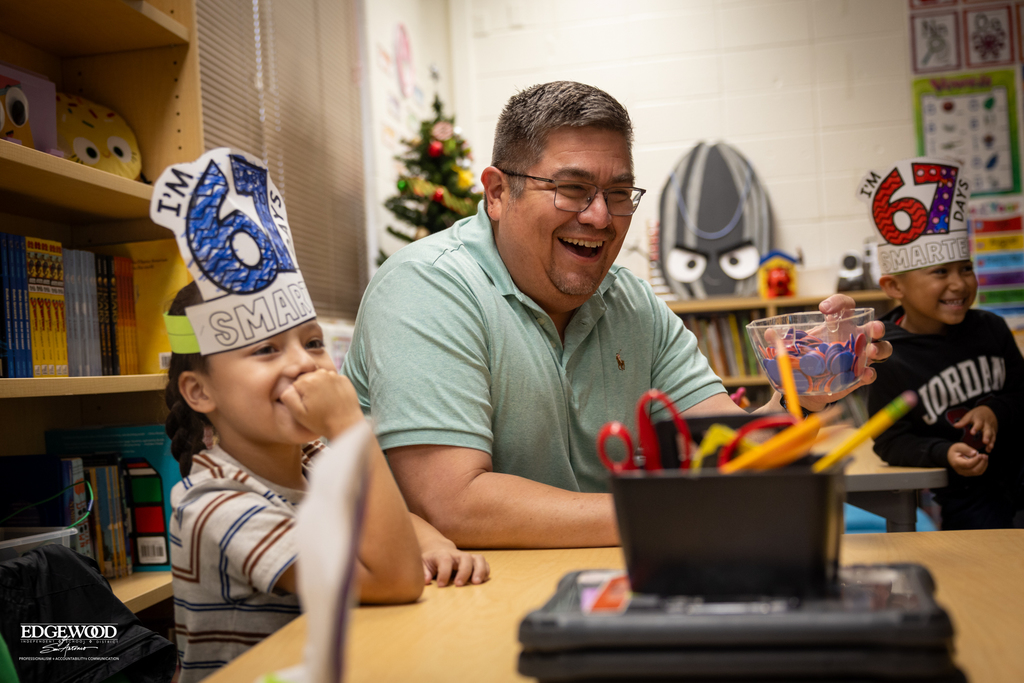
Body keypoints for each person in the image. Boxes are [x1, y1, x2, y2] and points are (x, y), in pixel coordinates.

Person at [343, 81, 891, 549]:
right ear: (496, 193)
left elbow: (725, 444)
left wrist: (802, 393)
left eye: (619, 192)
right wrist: (674, 517)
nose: (601, 216)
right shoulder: (428, 287)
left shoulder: (631, 301)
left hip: (600, 582)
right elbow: (454, 503)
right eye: (572, 189)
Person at [862, 157, 1024, 529]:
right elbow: (891, 442)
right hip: (968, 495)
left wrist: (995, 411)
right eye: (941, 272)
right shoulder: (885, 355)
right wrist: (944, 452)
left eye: (966, 268)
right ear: (894, 286)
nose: (959, 284)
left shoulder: (992, 329)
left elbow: (1022, 392)